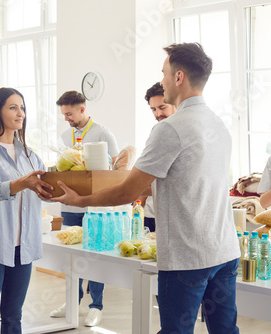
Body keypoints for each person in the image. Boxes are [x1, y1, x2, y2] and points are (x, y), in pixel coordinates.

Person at [50, 43, 240, 333]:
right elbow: (183, 184)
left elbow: (128, 191)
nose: (161, 81)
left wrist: (79, 200)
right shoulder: (219, 124)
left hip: (188, 257)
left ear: (179, 77)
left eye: (164, 73)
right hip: (225, 251)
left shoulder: (170, 129)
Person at [0, 87, 53, 334]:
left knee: (14, 317)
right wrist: (22, 183)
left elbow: (43, 193)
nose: (20, 113)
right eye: (13, 107)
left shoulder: (30, 155)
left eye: (23, 108)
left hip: (23, 247)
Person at [50, 90, 119, 326]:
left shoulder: (102, 133)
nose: (67, 119)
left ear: (82, 108)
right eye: (64, 115)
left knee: (94, 255)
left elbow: (115, 169)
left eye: (69, 114)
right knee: (71, 256)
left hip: (94, 206)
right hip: (69, 205)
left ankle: (96, 305)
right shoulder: (63, 136)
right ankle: (72, 300)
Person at [137, 82, 177, 233]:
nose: (157, 114)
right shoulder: (157, 130)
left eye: (162, 107)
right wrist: (140, 204)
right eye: (153, 109)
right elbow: (146, 174)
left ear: (174, 104)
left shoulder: (181, 130)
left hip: (171, 217)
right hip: (151, 213)